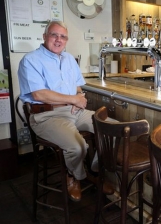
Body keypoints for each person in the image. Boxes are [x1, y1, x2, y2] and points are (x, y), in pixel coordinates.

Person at [18, 21, 112, 202]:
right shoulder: (30, 60)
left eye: (63, 36)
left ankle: (93, 172)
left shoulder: (69, 59)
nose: (58, 39)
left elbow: (77, 87)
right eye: (54, 35)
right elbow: (39, 93)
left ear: (66, 40)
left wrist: (79, 96)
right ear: (45, 36)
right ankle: (74, 175)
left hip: (74, 111)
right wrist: (73, 99)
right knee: (78, 146)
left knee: (113, 131)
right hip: (46, 116)